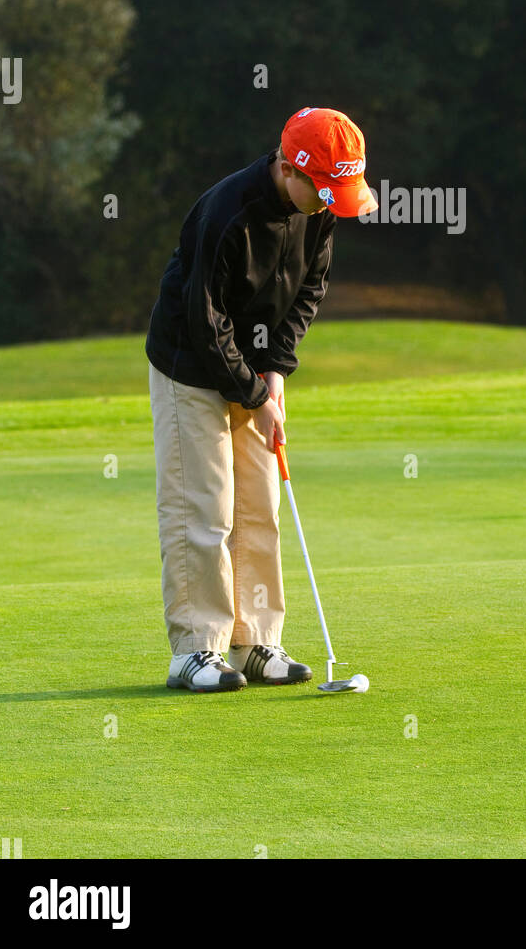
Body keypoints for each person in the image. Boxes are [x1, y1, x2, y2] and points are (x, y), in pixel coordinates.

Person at [145, 106, 377, 692]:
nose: (329, 204)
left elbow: (310, 290)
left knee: (259, 504)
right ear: (289, 169)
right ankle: (196, 650)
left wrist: (276, 372)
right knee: (205, 507)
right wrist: (253, 390)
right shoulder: (226, 213)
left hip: (252, 365)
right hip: (190, 366)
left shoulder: (317, 210)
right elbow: (205, 319)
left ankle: (254, 642)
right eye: (323, 190)